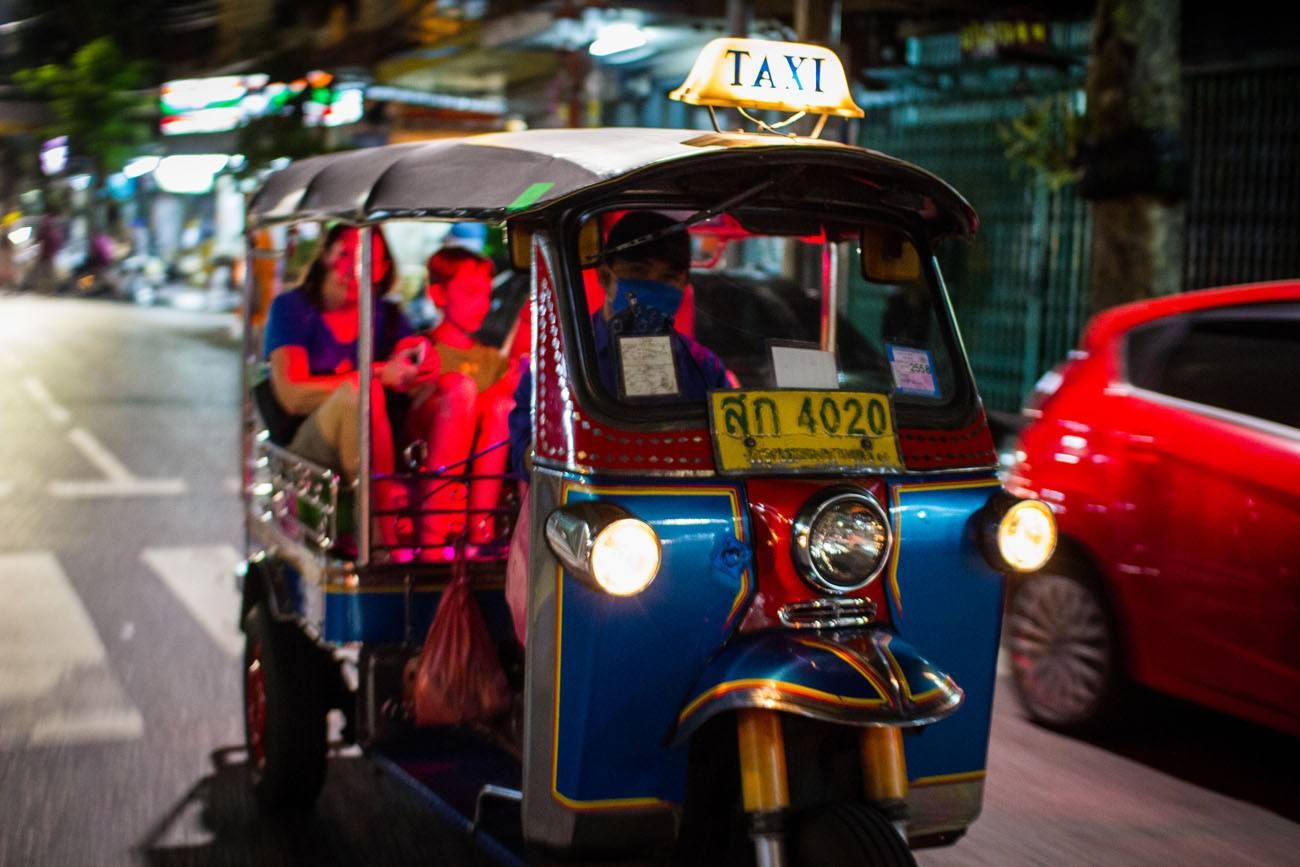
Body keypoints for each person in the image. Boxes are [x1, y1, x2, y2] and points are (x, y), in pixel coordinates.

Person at [504, 210, 729, 642]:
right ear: (606, 277)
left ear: (685, 285)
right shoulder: (558, 362)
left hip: (685, 544)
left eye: (669, 277)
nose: (654, 287)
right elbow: (524, 446)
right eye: (639, 272)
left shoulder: (703, 367)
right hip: (593, 547)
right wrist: (545, 452)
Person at [261, 224, 428, 554]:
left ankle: (443, 530)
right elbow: (292, 396)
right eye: (345, 255)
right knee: (359, 394)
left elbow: (415, 359)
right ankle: (381, 542)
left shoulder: (389, 316)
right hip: (310, 451)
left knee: (455, 390)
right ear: (326, 256)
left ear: (382, 268)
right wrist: (377, 373)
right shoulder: (293, 309)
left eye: (368, 260)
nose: (354, 269)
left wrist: (421, 364)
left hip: (378, 443)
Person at [405, 246, 524, 553]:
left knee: (503, 406)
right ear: (438, 294)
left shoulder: (491, 359)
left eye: (486, 293)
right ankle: (434, 534)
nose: (482, 303)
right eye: (471, 292)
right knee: (459, 389)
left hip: (478, 460)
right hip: (424, 450)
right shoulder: (421, 347)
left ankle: (481, 529)